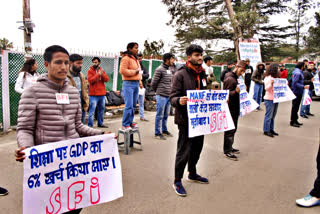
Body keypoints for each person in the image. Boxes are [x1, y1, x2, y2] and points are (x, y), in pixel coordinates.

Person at [15, 45, 109, 214]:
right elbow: (24, 128)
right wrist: (27, 149)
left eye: (66, 62)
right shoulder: (32, 92)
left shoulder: (73, 93)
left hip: (72, 162)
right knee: (50, 207)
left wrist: (102, 135)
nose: (64, 67)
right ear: (46, 64)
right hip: (47, 164)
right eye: (58, 62)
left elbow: (78, 126)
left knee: (74, 206)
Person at [170, 44, 208, 197]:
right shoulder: (180, 75)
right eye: (197, 55)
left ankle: (192, 173)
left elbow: (207, 92)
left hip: (201, 119)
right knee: (184, 150)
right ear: (189, 57)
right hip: (185, 119)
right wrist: (179, 100)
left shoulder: (203, 73)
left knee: (197, 148)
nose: (200, 58)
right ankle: (177, 180)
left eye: (201, 55)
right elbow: (172, 97)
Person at [222, 60, 246, 161]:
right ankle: (227, 150)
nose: (241, 73)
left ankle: (230, 147)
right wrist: (235, 92)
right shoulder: (230, 79)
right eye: (241, 71)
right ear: (236, 67)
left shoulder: (236, 78)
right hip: (230, 108)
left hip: (235, 107)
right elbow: (225, 95)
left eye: (243, 71)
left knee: (233, 128)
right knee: (230, 129)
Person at [120, 42, 143, 130]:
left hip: (136, 83)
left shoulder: (136, 59)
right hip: (128, 84)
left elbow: (139, 71)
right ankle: (125, 124)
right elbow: (122, 71)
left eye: (137, 48)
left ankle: (130, 122)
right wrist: (134, 72)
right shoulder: (126, 58)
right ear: (129, 49)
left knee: (133, 105)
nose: (137, 49)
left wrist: (140, 80)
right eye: (135, 48)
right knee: (129, 105)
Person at [152, 53, 175, 140]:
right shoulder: (159, 69)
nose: (173, 61)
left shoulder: (170, 69)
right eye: (172, 59)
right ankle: (157, 132)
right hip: (161, 95)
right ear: (167, 59)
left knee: (166, 115)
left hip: (168, 96)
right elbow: (154, 83)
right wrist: (157, 92)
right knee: (159, 115)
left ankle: (164, 130)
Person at [87, 57, 109, 128]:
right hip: (93, 95)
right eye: (93, 62)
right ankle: (90, 126)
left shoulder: (102, 70)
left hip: (101, 94)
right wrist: (98, 75)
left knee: (101, 110)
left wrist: (102, 74)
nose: (94, 64)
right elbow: (90, 81)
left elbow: (107, 79)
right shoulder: (90, 70)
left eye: (96, 62)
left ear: (99, 63)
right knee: (92, 111)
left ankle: (100, 123)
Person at [67, 54, 89, 124]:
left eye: (81, 63)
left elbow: (84, 90)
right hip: (70, 109)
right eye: (78, 63)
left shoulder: (81, 75)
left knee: (82, 128)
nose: (80, 65)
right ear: (70, 63)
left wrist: (86, 103)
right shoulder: (65, 76)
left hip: (82, 107)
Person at [263, 63, 280, 138]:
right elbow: (266, 89)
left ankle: (271, 129)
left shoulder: (276, 77)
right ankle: (266, 130)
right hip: (269, 99)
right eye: (278, 68)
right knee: (269, 115)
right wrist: (271, 84)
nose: (279, 69)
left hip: (275, 98)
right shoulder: (268, 78)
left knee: (273, 116)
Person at [290, 62, 309, 127]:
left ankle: (295, 119)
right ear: (302, 66)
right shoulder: (297, 73)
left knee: (297, 107)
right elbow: (295, 83)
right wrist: (303, 86)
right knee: (295, 107)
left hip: (299, 91)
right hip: (296, 92)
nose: (304, 67)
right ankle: (293, 121)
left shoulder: (298, 72)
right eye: (304, 65)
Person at [137, 53, 149, 121]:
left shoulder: (143, 67)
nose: (140, 60)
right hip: (136, 85)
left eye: (141, 59)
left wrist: (141, 75)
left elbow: (147, 75)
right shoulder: (134, 66)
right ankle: (130, 119)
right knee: (133, 104)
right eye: (139, 59)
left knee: (141, 102)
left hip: (142, 87)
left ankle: (142, 116)